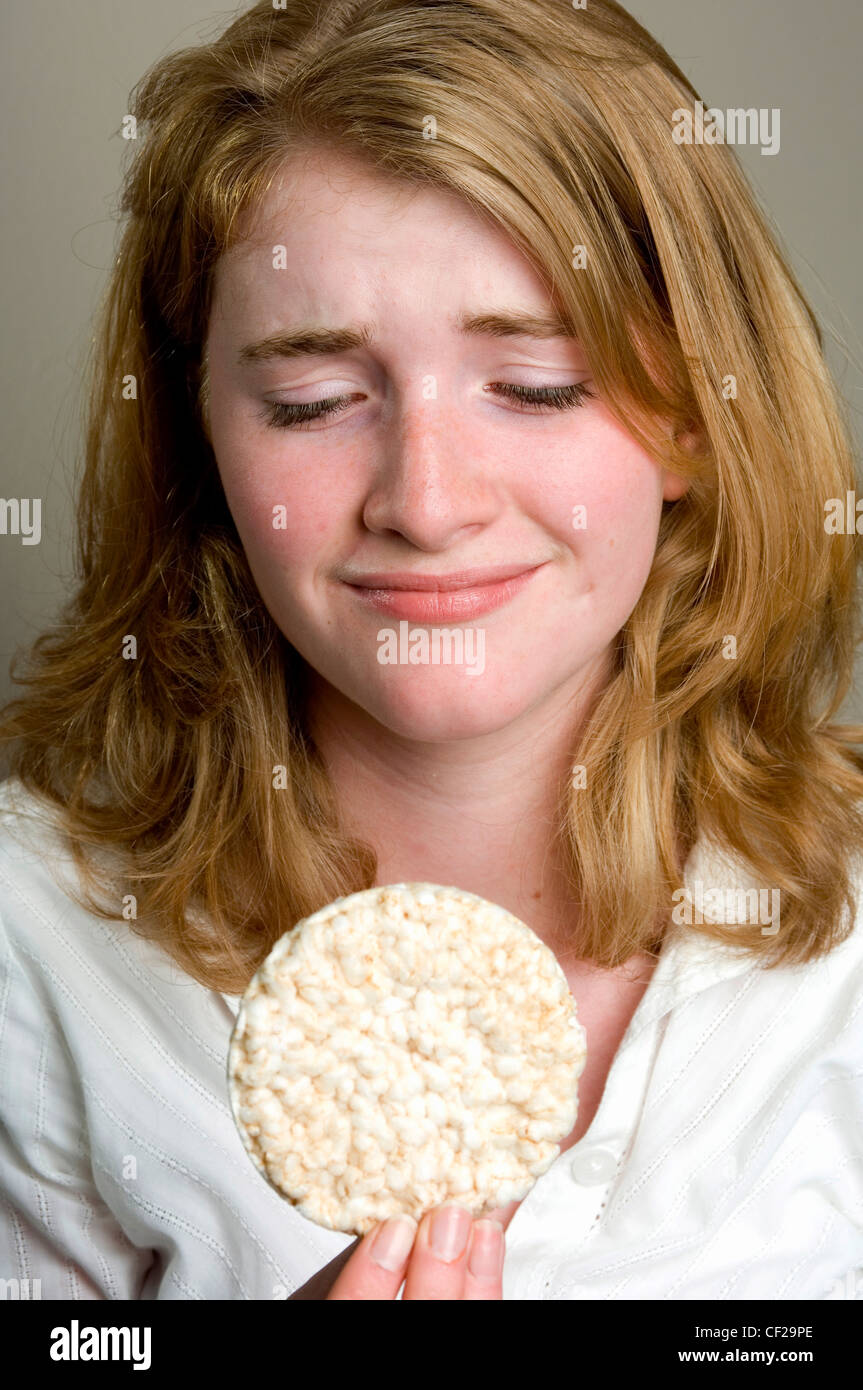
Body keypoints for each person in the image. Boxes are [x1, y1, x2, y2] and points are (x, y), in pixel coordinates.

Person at [1, 0, 862, 1302]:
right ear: (201, 441)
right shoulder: (36, 946)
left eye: (536, 385)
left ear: (694, 413)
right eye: (315, 399)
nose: (428, 498)